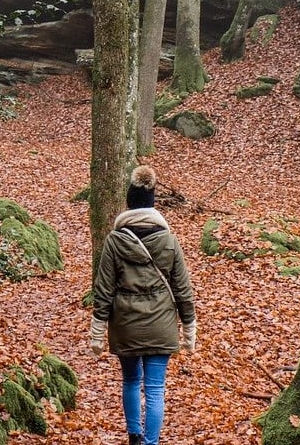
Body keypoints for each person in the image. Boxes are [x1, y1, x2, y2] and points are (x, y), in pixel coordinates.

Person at [90, 165, 197, 445]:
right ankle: (151, 443)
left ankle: (134, 437)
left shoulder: (114, 241)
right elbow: (183, 290)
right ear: (153, 205)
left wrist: (97, 330)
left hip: (125, 325)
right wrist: (189, 329)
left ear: (129, 204)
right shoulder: (170, 240)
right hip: (161, 326)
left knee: (130, 381)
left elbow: (103, 289)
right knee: (155, 389)